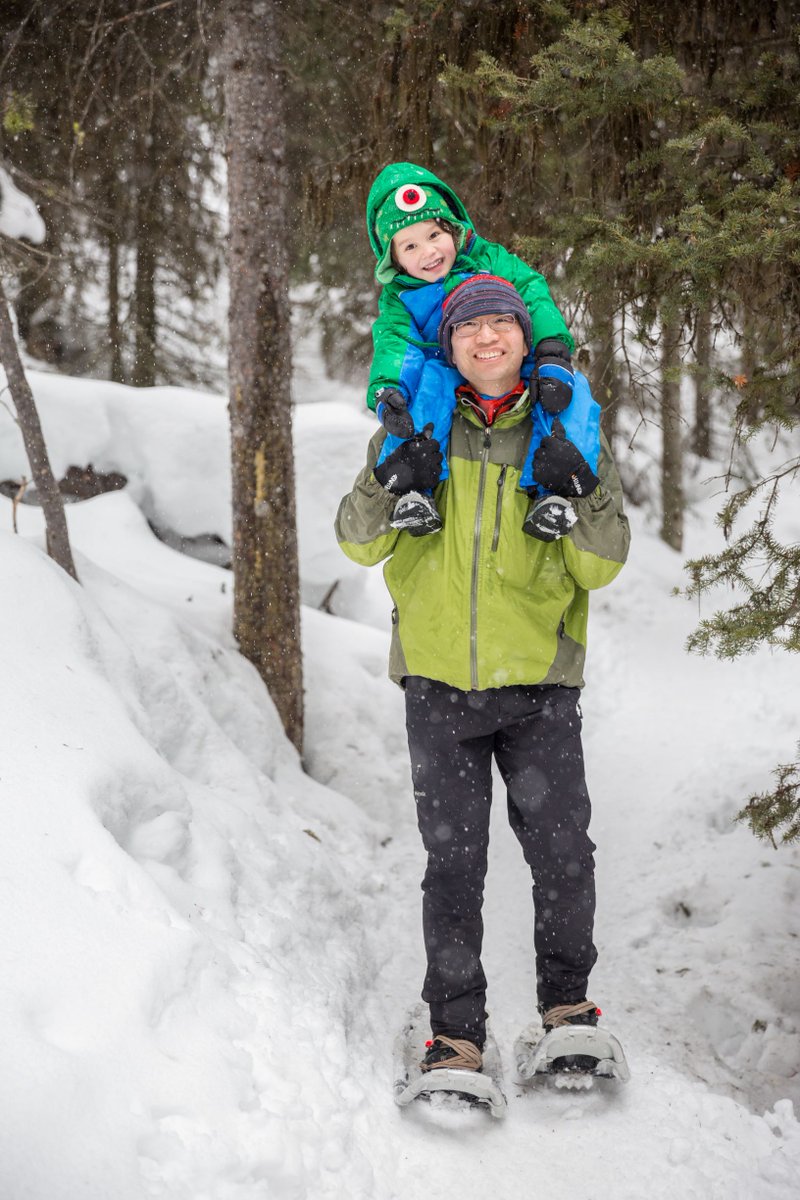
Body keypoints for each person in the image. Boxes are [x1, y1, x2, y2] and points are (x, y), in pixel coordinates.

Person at [335, 274, 630, 1078]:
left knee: (563, 854)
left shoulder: (563, 427)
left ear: (523, 339)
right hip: (438, 687)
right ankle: (456, 1035)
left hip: (539, 686)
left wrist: (581, 489)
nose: (488, 338)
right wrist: (392, 476)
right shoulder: (416, 422)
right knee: (454, 866)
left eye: (503, 323)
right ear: (452, 344)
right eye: (471, 328)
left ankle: (568, 1009)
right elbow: (358, 545)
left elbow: (600, 567)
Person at [365, 162, 577, 537]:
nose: (428, 252)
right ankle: (414, 490)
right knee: (427, 393)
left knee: (564, 401)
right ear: (393, 259)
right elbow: (397, 343)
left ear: (452, 227)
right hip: (444, 368)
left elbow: (532, 290)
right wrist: (389, 391)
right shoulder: (402, 297)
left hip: (506, 360)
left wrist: (551, 351)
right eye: (410, 246)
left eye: (433, 235)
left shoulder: (488, 258)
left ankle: (553, 494)